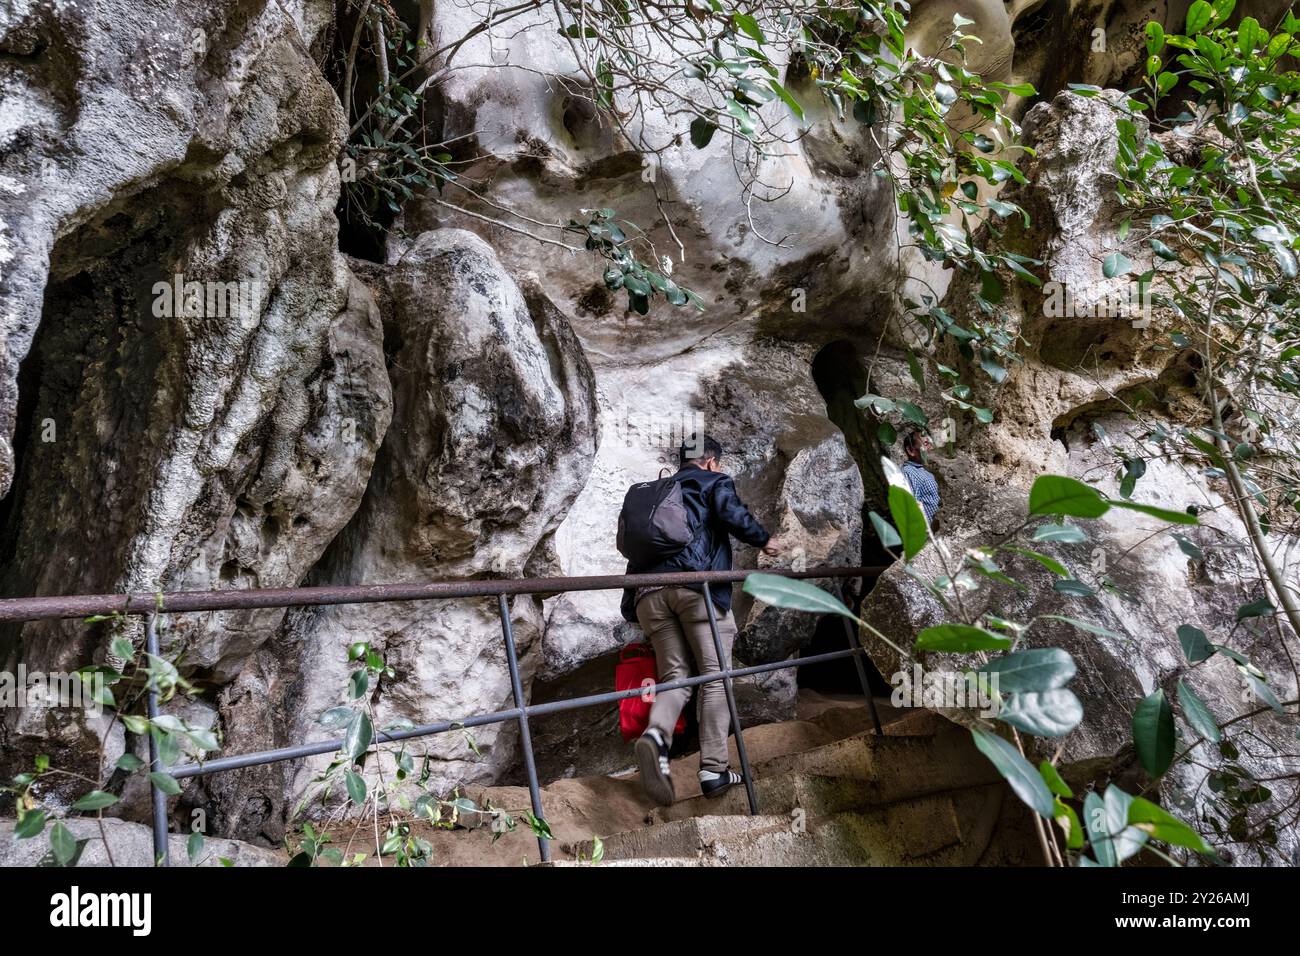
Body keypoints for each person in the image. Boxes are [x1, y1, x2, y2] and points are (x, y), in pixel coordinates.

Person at [621, 434, 780, 805]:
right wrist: (764, 540)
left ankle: (657, 735)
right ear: (711, 462)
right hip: (697, 592)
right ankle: (713, 770)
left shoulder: (656, 492)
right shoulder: (713, 481)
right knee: (715, 675)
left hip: (648, 595)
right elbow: (731, 513)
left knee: (674, 677)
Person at [902, 429, 940, 523]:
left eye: (931, 443)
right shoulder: (909, 472)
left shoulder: (927, 471)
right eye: (926, 444)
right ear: (911, 450)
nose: (931, 447)